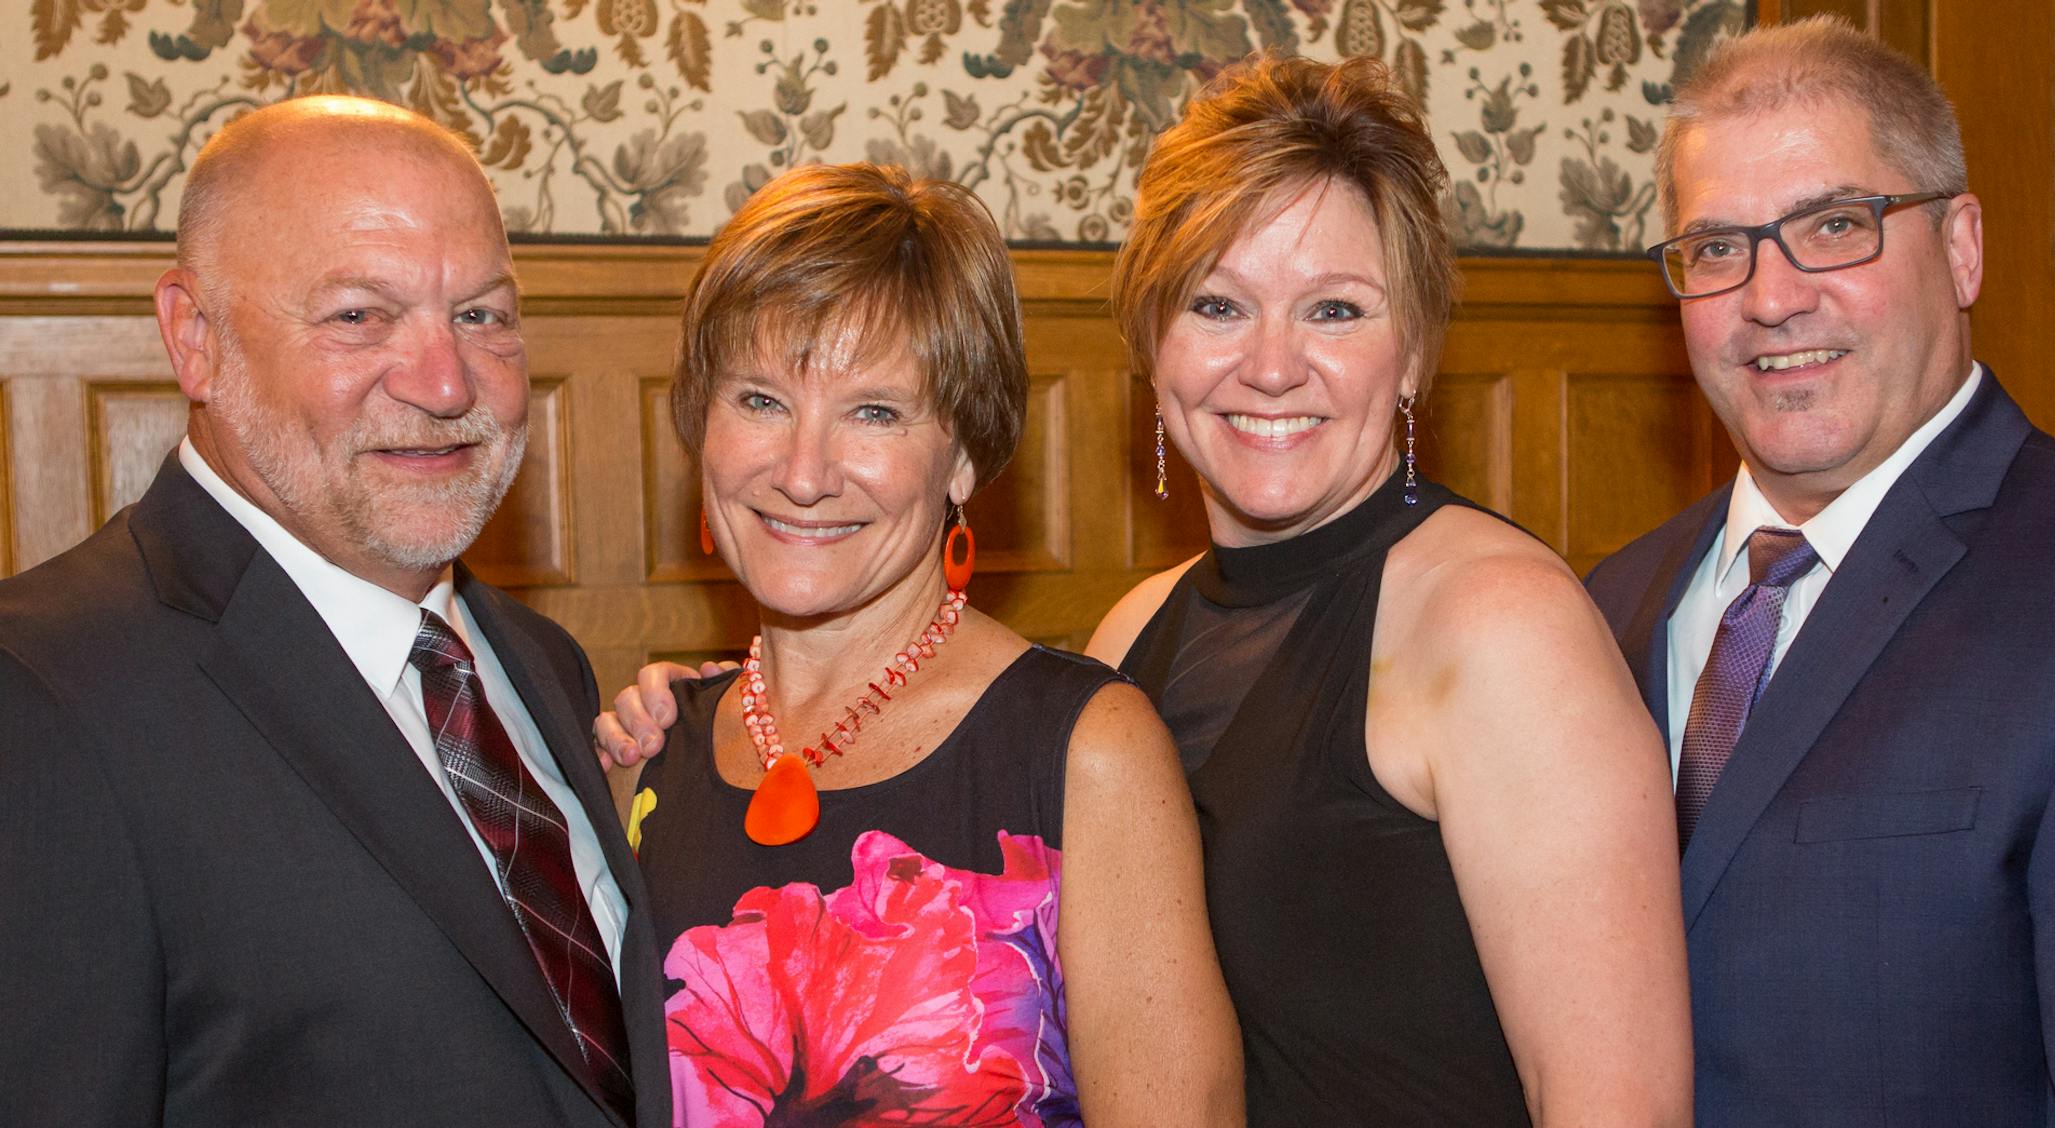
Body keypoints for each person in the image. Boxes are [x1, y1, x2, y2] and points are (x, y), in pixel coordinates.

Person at [607, 56, 1691, 1125]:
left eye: (1336, 311)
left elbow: (1620, 1106)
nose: (1271, 365)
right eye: (1218, 306)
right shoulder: (1140, 633)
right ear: (1151, 341)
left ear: (1412, 353)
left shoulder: (1502, 626)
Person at [0, 97, 670, 1126]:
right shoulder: (41, 697)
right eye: (359, 316)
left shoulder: (539, 664)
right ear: (196, 338)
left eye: (483, 315)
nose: (447, 383)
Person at [1584, 16, 2055, 1124]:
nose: (1770, 298)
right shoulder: (1609, 605)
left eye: (1834, 226)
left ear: (1961, 248)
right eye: (1717, 248)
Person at [619, 161, 1242, 1126]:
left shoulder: (1085, 753)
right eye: (759, 400)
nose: (803, 472)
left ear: (961, 455)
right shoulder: (642, 759)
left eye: (874, 412)